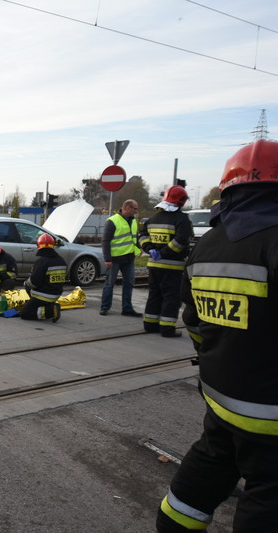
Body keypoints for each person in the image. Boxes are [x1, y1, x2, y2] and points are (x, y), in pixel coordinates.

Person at [156, 139, 278, 531]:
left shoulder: (210, 242)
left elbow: (193, 321)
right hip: (271, 414)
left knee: (208, 468)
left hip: (221, 399)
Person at [138, 185, 192, 337]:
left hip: (154, 265)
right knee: (171, 297)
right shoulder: (182, 219)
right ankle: (167, 329)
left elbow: (142, 237)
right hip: (173, 267)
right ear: (180, 201)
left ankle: (150, 324)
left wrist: (150, 249)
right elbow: (180, 241)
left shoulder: (153, 218)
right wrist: (164, 253)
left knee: (154, 295)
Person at [100, 199, 142, 317]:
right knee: (110, 283)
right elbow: (105, 241)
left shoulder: (133, 221)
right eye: (135, 209)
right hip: (115, 258)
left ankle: (127, 308)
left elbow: (135, 237)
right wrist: (107, 259)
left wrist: (138, 247)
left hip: (129, 258)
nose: (136, 211)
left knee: (129, 283)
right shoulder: (112, 221)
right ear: (127, 207)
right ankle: (105, 307)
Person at [20, 233, 66, 322]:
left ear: (39, 246)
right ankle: (49, 306)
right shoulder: (61, 260)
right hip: (56, 294)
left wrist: (26, 283)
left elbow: (34, 282)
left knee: (25, 313)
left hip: (43, 296)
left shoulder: (42, 262)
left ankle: (51, 310)